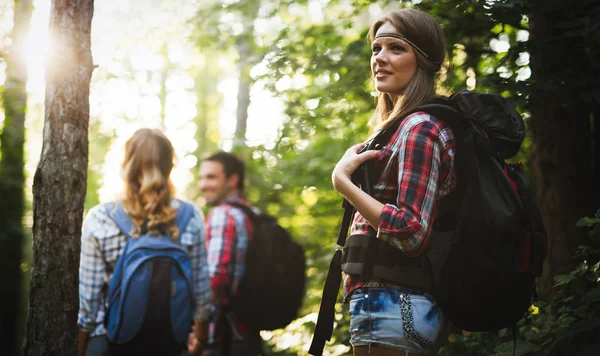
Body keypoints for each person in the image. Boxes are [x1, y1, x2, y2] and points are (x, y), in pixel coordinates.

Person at [331, 9, 457, 356]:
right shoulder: (399, 129)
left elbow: (411, 232)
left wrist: (343, 183)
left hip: (392, 306)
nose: (380, 59)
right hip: (387, 307)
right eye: (376, 48)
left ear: (424, 60)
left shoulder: (420, 128)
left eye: (396, 49)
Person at [77, 128, 212, 356]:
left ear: (125, 166)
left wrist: (80, 346)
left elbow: (89, 303)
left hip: (113, 342)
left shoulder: (100, 219)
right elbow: (200, 288)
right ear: (170, 166)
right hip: (171, 340)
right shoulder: (191, 217)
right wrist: (199, 337)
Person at [198, 151, 262, 356]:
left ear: (233, 179)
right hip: (249, 332)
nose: (203, 185)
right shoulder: (253, 214)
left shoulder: (222, 215)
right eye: (202, 177)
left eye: (211, 177)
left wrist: (198, 332)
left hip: (222, 337)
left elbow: (215, 279)